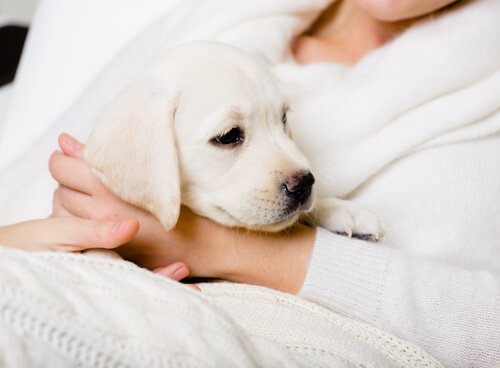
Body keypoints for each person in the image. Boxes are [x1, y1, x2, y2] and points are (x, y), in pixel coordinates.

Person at [1, 0, 499, 366]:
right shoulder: (224, 18)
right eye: (229, 135)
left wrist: (214, 246)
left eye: (284, 121)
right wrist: (22, 244)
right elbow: (38, 187)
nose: (298, 171)